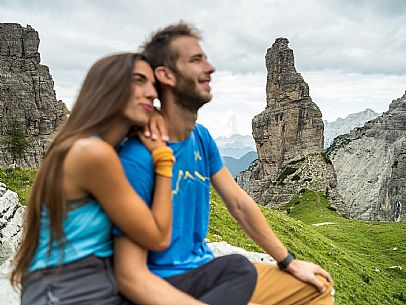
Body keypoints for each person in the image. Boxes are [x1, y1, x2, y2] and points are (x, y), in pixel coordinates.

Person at [114, 22, 334, 305]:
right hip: (164, 286)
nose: (210, 68)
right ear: (165, 75)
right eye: (196, 60)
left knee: (317, 288)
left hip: (206, 272)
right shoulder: (136, 156)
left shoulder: (200, 137)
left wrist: (288, 261)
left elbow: (239, 203)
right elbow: (130, 276)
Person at [10, 53, 176, 305]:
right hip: (70, 289)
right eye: (139, 80)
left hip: (73, 284)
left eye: (153, 85)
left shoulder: (82, 145)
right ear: (109, 87)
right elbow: (158, 237)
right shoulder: (92, 153)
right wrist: (163, 159)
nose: (152, 92)